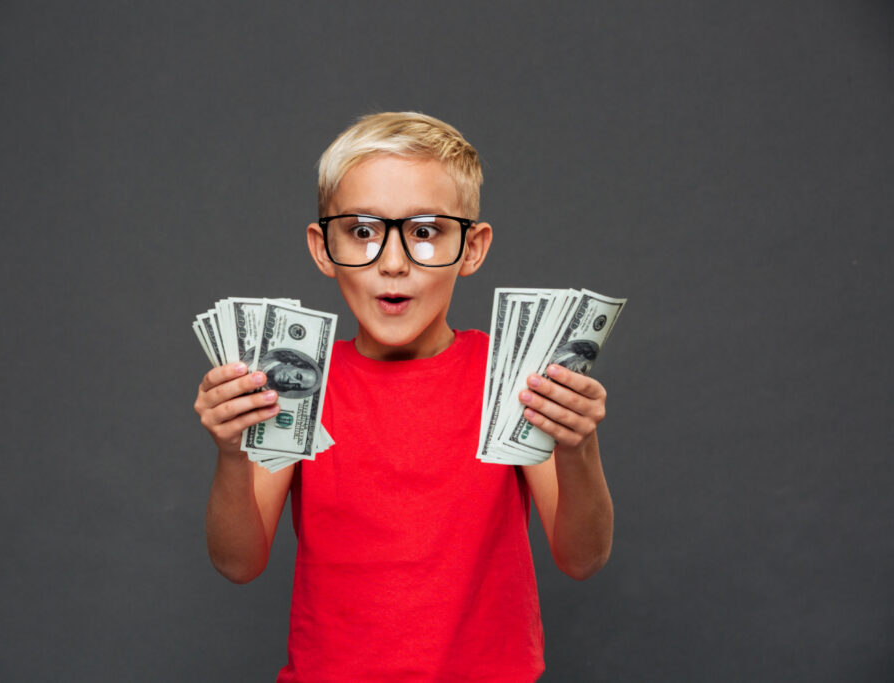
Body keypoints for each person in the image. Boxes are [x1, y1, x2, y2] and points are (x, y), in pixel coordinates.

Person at [193, 112, 614, 682]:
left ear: (471, 248)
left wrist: (577, 446)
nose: (393, 262)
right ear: (323, 247)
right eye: (362, 231)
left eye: (425, 231)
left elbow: (582, 558)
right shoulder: (296, 381)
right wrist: (230, 452)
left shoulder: (514, 377)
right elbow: (238, 562)